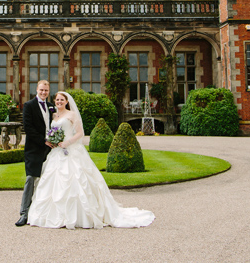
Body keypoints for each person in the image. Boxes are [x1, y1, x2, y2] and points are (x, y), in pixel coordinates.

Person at [27, 91, 155, 229]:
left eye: (61, 100)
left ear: (66, 101)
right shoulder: (54, 115)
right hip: (56, 152)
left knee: (77, 181)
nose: (59, 102)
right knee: (52, 183)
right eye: (57, 100)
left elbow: (80, 133)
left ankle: (80, 216)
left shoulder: (72, 115)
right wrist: (53, 140)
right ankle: (54, 216)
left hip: (70, 151)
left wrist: (67, 143)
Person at [15, 80, 55, 227]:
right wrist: (44, 140)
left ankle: (42, 212)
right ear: (36, 90)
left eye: (46, 90)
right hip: (34, 148)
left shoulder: (51, 107)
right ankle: (24, 213)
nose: (44, 92)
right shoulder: (29, 106)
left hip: (50, 150)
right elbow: (28, 128)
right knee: (31, 179)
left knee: (48, 180)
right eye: (41, 90)